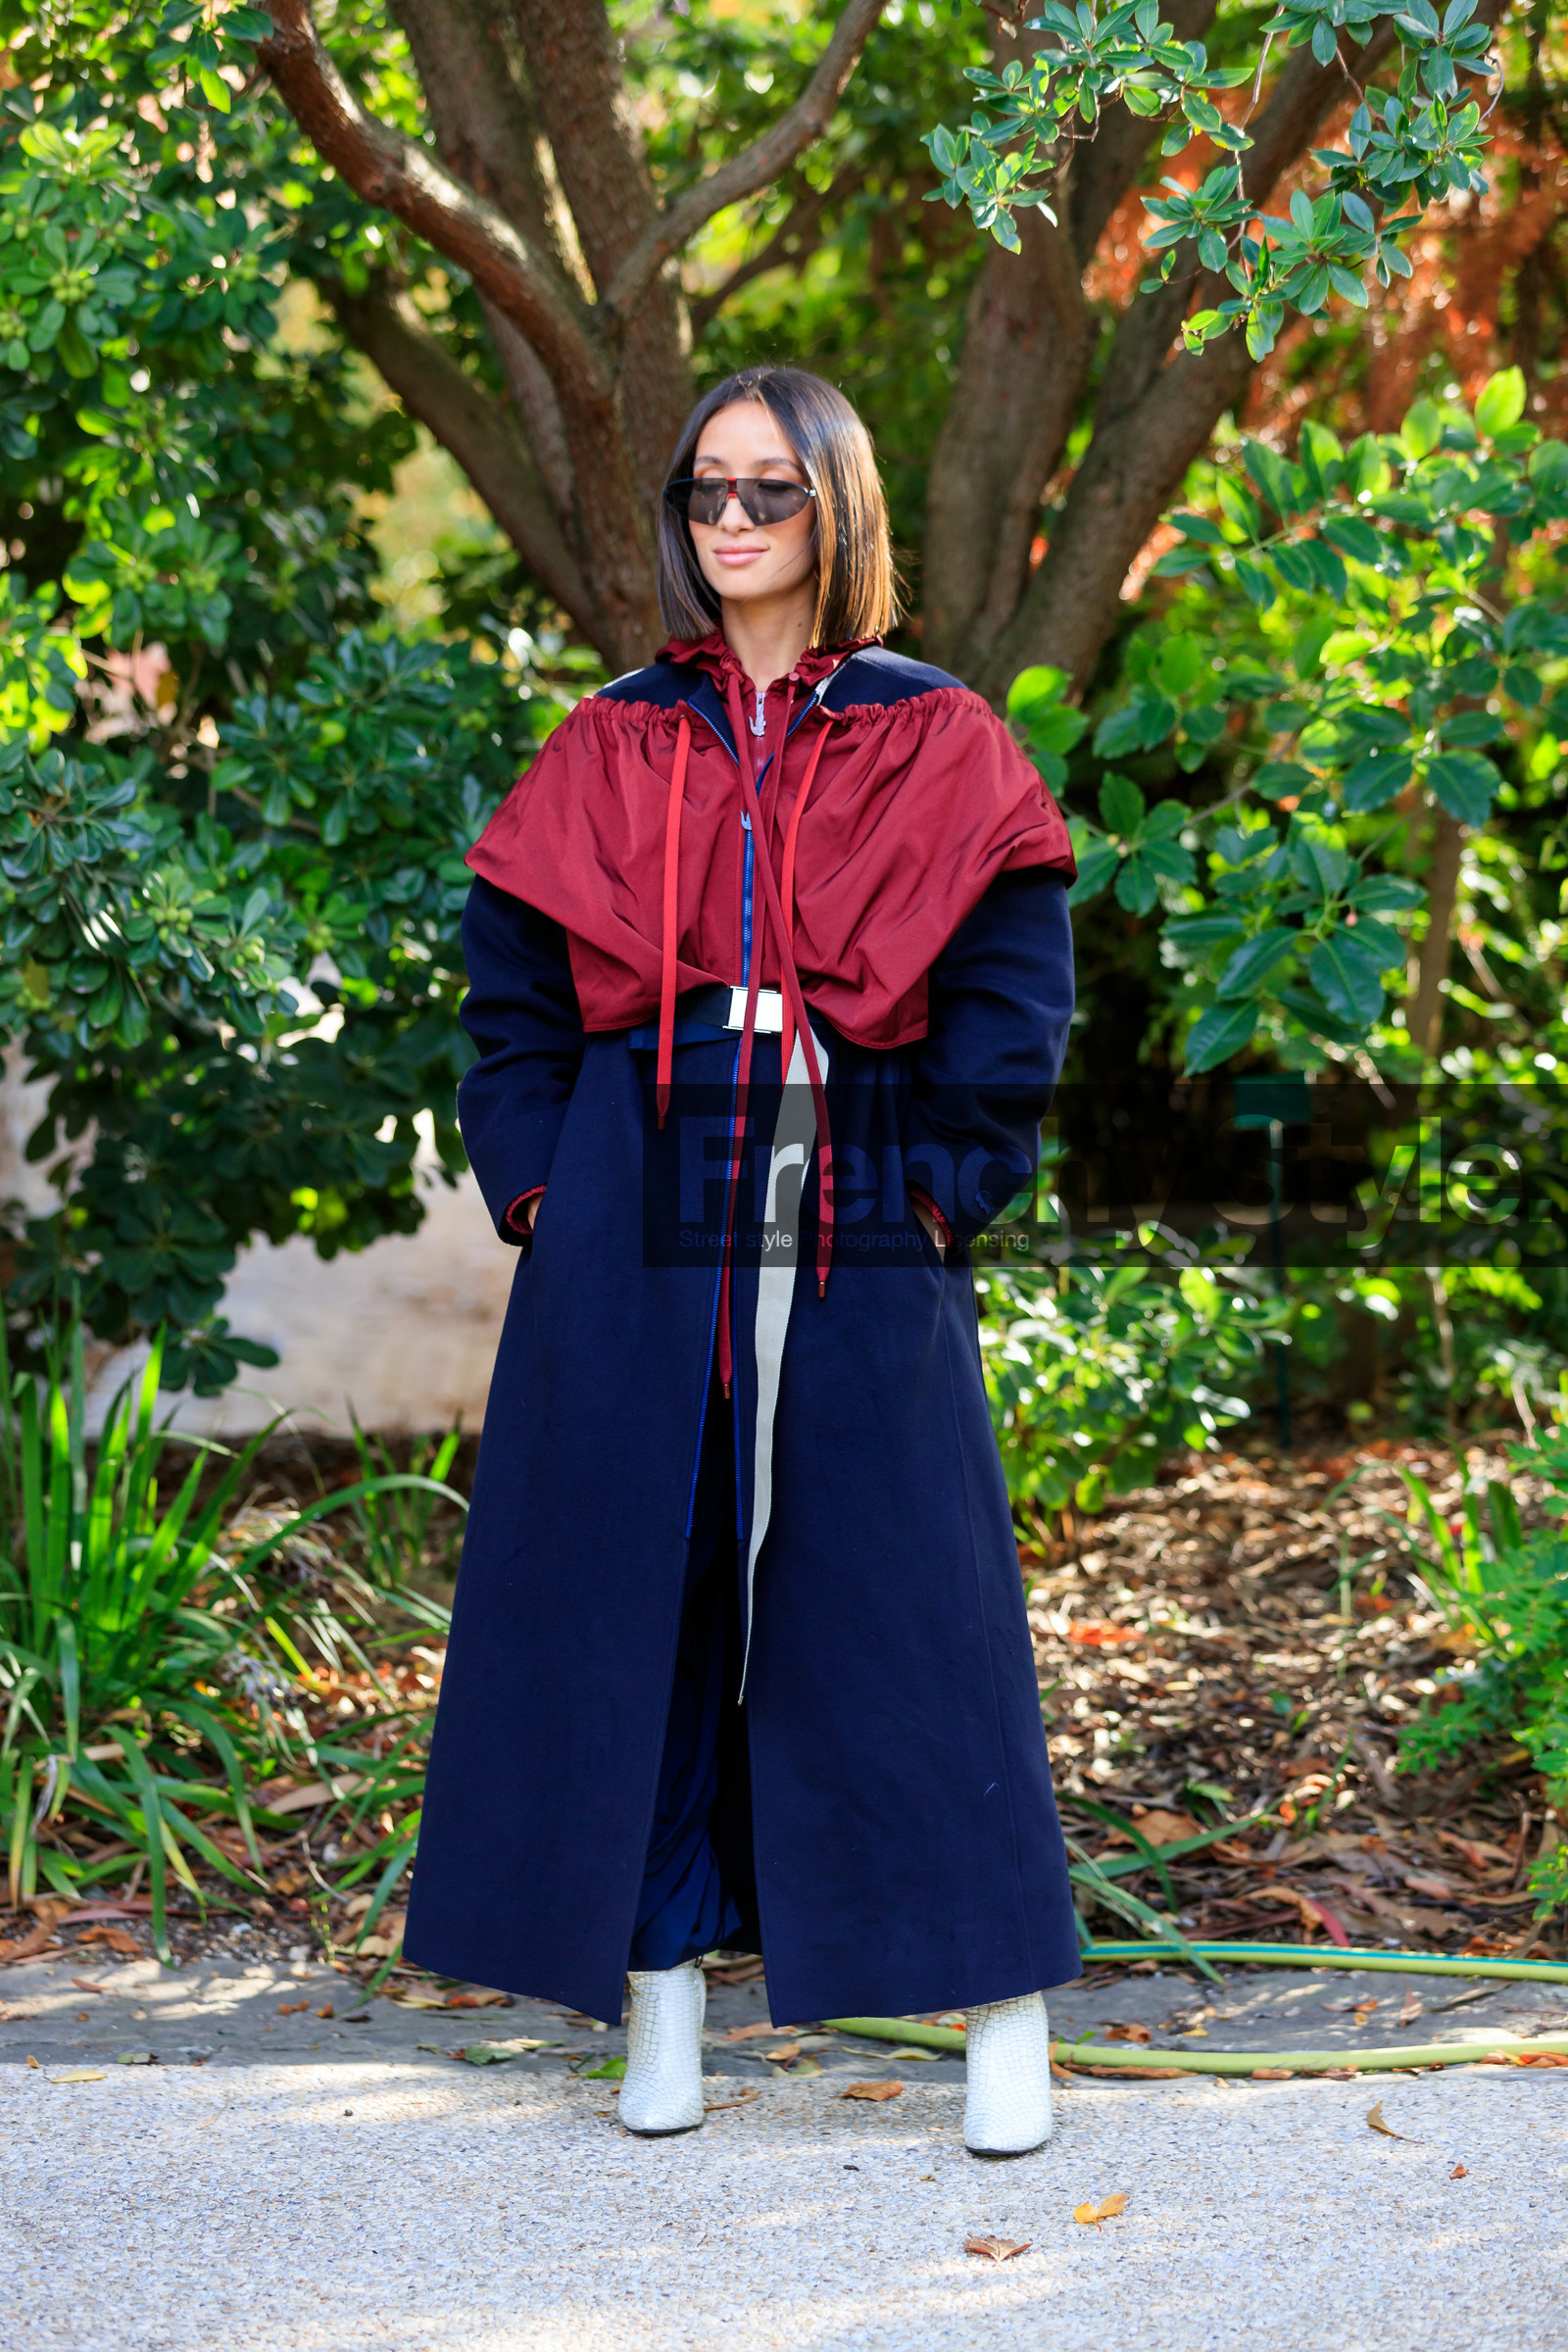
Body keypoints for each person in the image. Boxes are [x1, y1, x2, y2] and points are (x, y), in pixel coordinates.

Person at [403, 367, 1081, 2156]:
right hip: (640, 1190)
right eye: (709, 493)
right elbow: (514, 992)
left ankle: (1000, 2007)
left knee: (902, 1596)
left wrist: (942, 1187)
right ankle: (664, 1998)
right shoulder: (623, 728)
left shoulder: (935, 732)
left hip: (855, 1171)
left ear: (836, 512)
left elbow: (1013, 991)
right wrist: (547, 1191)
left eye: (769, 494)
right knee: (648, 1590)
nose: (733, 524)